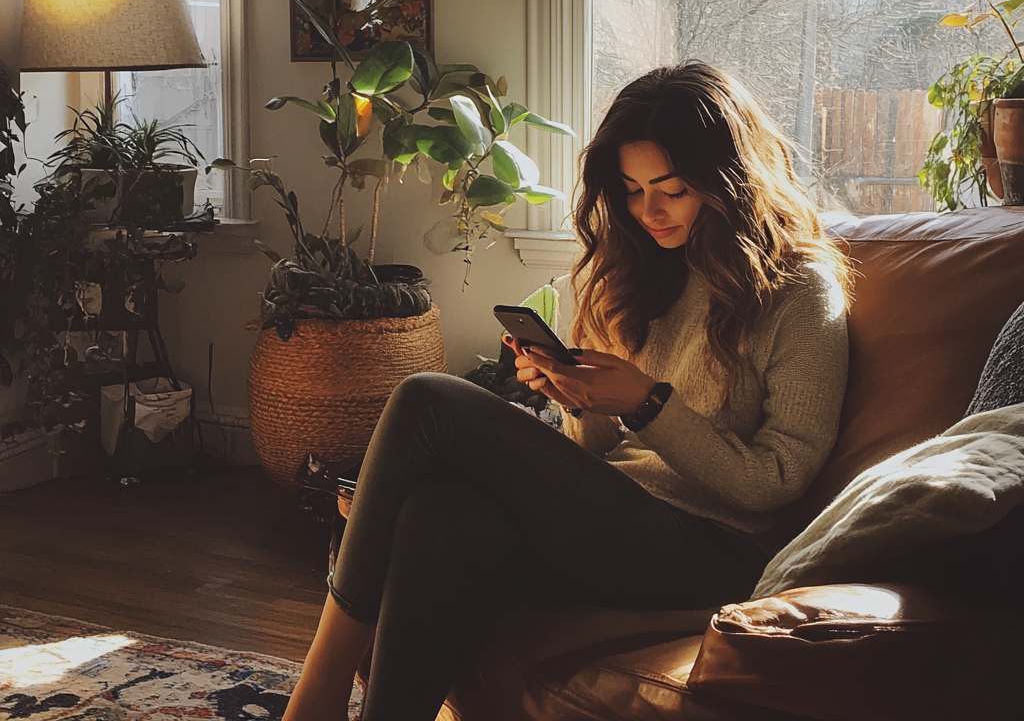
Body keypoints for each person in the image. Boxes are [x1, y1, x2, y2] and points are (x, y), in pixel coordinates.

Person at [282, 62, 851, 721]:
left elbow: (777, 481)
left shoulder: (802, 290)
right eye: (633, 190)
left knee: (427, 402)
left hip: (718, 550)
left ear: (728, 182)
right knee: (436, 512)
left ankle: (313, 703)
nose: (649, 211)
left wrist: (646, 404)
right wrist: (582, 402)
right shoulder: (651, 272)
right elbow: (604, 453)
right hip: (626, 519)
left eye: (670, 188)